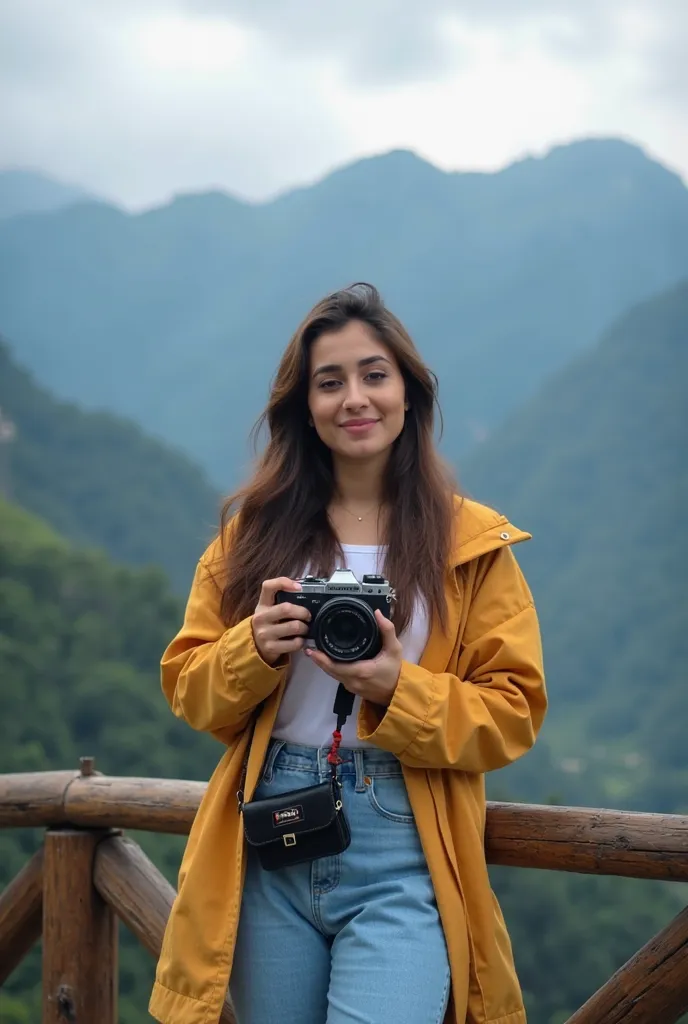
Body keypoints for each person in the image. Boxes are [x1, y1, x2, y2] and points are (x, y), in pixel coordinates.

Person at [149, 283, 547, 1024]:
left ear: (408, 392)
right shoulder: (254, 537)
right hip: (273, 826)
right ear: (304, 406)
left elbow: (513, 714)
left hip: (405, 838)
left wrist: (400, 688)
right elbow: (189, 688)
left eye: (374, 375)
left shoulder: (471, 544)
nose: (354, 398)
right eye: (329, 383)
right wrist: (253, 650)